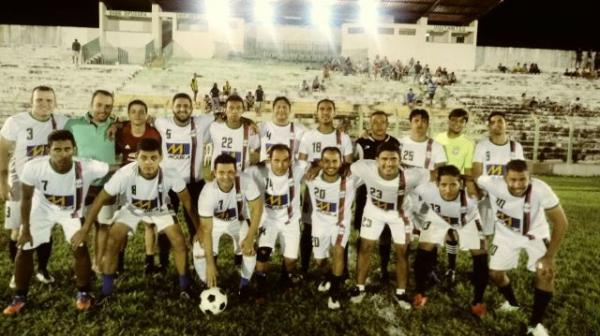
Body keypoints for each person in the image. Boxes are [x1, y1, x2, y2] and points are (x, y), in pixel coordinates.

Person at [3, 130, 110, 315]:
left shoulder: (87, 166)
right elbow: (26, 199)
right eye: (57, 150)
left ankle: (83, 293)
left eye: (67, 149)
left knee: (80, 247)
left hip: (70, 212)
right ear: (48, 150)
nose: (63, 154)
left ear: (74, 149)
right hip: (41, 209)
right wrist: (25, 229)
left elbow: (112, 167)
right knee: (24, 248)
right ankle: (19, 298)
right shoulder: (34, 167)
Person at [79, 138, 195, 301]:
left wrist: (199, 229)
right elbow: (100, 199)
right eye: (144, 158)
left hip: (160, 208)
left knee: (179, 242)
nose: (148, 163)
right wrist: (85, 228)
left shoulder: (170, 173)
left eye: (153, 158)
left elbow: (187, 201)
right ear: (136, 157)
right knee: (112, 241)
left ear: (161, 158)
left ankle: (185, 287)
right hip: (133, 208)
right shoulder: (124, 174)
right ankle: (106, 292)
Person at [477, 160, 568, 336]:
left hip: (535, 237)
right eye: (512, 180)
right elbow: (474, 178)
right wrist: (475, 190)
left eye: (522, 180)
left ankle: (536, 324)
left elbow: (561, 223)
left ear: (530, 178)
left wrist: (549, 256)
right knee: (495, 274)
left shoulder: (541, 189)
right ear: (504, 178)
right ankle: (512, 303)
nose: (518, 185)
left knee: (545, 273)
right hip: (505, 237)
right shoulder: (492, 183)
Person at [0, 86, 68, 288]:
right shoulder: (17, 121)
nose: (44, 104)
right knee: (17, 230)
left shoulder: (61, 121)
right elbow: (2, 147)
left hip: (47, 184)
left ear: (55, 103)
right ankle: (17, 272)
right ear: (32, 101)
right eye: (39, 100)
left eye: (49, 100)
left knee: (44, 228)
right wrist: (2, 180)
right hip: (19, 181)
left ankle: (42, 269)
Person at [349, 141, 429, 309]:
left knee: (402, 252)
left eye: (394, 159)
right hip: (373, 210)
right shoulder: (365, 167)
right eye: (384, 159)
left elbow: (436, 174)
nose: (389, 163)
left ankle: (401, 292)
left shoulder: (411, 175)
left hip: (399, 213)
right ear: (377, 159)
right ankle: (359, 287)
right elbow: (346, 167)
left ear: (400, 160)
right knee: (365, 247)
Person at [411, 165, 488, 318]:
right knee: (423, 250)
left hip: (468, 220)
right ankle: (420, 293)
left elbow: (482, 195)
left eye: (453, 184)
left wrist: (472, 181)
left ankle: (477, 301)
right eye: (443, 185)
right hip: (439, 218)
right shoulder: (426, 189)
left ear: (460, 183)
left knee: (480, 255)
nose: (448, 189)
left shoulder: (471, 194)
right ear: (436, 184)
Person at [192, 154, 263, 299]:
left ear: (236, 171)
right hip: (214, 222)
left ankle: (244, 285)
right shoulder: (207, 192)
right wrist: (211, 265)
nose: (226, 176)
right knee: (199, 248)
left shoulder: (245, 181)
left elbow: (257, 208)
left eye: (230, 172)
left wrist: (250, 237)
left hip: (239, 221)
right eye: (221, 172)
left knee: (250, 249)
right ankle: (207, 283)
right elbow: (206, 229)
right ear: (214, 173)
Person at [65, 90, 119, 274]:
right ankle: (81, 264)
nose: (103, 110)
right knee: (79, 225)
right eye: (99, 105)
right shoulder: (73, 124)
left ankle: (97, 263)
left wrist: (118, 124)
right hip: (81, 184)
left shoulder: (115, 124)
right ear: (91, 104)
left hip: (107, 183)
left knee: (103, 225)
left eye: (108, 106)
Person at [245, 144, 307, 302]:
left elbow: (316, 163)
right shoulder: (257, 171)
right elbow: (240, 174)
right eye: (276, 160)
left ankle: (286, 280)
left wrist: (316, 167)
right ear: (269, 160)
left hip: (290, 221)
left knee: (291, 261)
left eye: (285, 160)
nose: (281, 165)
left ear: (290, 161)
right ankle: (261, 288)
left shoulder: (297, 169)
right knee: (263, 253)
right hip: (269, 220)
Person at [298, 99, 353, 275]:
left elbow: (348, 165)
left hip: (337, 190)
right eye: (322, 109)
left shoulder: (343, 138)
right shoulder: (308, 136)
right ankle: (305, 267)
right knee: (308, 226)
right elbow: (301, 163)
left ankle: (342, 271)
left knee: (341, 229)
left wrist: (320, 165)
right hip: (314, 189)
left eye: (329, 109)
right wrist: (313, 168)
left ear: (334, 113)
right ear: (317, 112)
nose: (325, 112)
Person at [154, 93, 214, 244]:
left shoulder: (202, 122)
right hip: (168, 183)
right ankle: (163, 259)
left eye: (186, 106)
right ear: (172, 107)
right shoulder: (161, 123)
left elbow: (224, 116)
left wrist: (248, 121)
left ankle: (197, 259)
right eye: (178, 106)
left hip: (193, 183)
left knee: (196, 224)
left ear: (192, 108)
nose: (182, 109)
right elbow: (140, 121)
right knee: (165, 223)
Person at [115, 99, 166, 275]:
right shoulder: (121, 131)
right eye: (133, 111)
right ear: (128, 115)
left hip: (149, 184)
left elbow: (159, 158)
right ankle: (118, 262)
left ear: (147, 115)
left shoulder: (153, 133)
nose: (137, 115)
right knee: (123, 224)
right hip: (126, 185)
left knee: (150, 224)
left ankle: (149, 262)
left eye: (141, 112)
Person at [305, 147, 358, 309]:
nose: (330, 165)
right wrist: (314, 166)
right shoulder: (311, 178)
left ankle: (334, 293)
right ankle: (329, 276)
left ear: (341, 162)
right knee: (320, 261)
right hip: (319, 225)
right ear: (321, 162)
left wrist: (351, 165)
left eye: (335, 161)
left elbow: (371, 167)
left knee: (338, 251)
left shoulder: (351, 179)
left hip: (339, 224)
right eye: (326, 161)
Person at [354, 111, 400, 282]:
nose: (379, 125)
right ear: (370, 124)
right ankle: (361, 266)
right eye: (375, 122)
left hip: (388, 194)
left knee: (385, 233)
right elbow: (353, 165)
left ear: (387, 124)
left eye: (383, 122)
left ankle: (384, 268)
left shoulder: (395, 143)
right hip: (364, 193)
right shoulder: (361, 142)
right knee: (363, 232)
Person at [472, 111, 525, 237]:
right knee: (483, 234)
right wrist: (487, 190)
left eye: (500, 121)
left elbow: (522, 174)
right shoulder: (482, 146)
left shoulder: (515, 147)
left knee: (509, 234)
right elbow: (477, 174)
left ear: (506, 124)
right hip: (487, 195)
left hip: (509, 195)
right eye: (493, 122)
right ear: (489, 127)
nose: (497, 124)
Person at [209, 95, 260, 173]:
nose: (234, 111)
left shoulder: (251, 130)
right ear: (225, 109)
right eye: (231, 108)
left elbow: (257, 148)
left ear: (243, 110)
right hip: (220, 175)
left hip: (241, 175)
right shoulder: (214, 126)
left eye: (238, 108)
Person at [258, 96, 306, 163]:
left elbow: (303, 155)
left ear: (290, 110)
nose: (281, 110)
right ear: (273, 109)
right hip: (266, 171)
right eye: (278, 107)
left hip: (289, 171)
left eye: (284, 107)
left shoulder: (299, 130)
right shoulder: (262, 127)